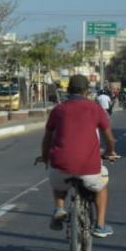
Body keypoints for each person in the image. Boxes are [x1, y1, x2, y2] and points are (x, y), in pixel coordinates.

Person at [39, 74, 119, 238]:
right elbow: (109, 137)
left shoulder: (58, 109)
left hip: (60, 166)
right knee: (101, 187)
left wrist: (45, 157)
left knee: (58, 185)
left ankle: (59, 208)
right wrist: (111, 151)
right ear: (87, 91)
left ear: (68, 90)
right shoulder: (95, 108)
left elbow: (47, 139)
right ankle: (100, 225)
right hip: (89, 168)